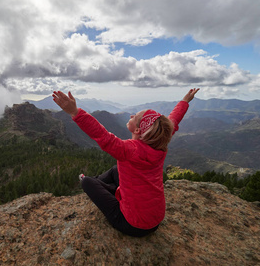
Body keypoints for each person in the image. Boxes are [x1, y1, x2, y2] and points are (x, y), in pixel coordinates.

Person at [52, 88, 199, 237]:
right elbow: (173, 120)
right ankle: (102, 185)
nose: (131, 115)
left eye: (135, 117)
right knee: (116, 169)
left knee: (87, 183)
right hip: (155, 221)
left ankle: (93, 182)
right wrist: (185, 101)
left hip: (132, 224)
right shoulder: (159, 142)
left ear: (136, 130)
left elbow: (102, 136)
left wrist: (75, 112)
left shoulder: (128, 151)